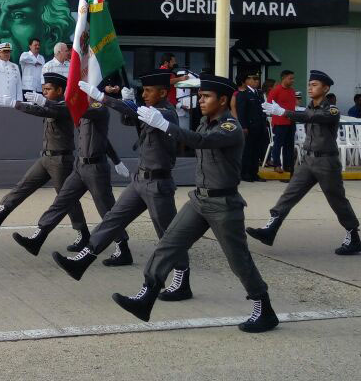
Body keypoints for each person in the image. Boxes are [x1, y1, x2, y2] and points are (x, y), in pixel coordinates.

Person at [112, 75, 278, 333]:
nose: (200, 101)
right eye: (200, 96)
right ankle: (147, 296)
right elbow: (195, 137)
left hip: (224, 203)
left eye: (206, 97)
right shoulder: (203, 123)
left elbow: (202, 142)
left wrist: (165, 125)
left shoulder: (230, 127)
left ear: (222, 100)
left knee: (239, 261)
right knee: (168, 243)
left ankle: (263, 307)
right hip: (200, 199)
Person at [57, 71, 191, 300]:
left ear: (163, 92)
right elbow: (129, 118)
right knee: (113, 218)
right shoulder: (150, 110)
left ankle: (182, 278)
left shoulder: (167, 114)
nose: (145, 94)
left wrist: (105, 98)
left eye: (149, 91)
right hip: (140, 180)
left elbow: (136, 113)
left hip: (158, 183)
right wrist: (130, 102)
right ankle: (84, 259)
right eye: (143, 91)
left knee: (169, 236)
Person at [10, 78, 132, 256]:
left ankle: (123, 247)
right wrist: (117, 160)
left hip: (96, 168)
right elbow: (102, 139)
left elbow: (75, 110)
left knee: (106, 208)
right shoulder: (82, 112)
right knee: (61, 202)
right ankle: (39, 237)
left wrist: (116, 161)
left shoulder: (98, 109)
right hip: (80, 166)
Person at [252, 70, 361, 255]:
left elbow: (313, 118)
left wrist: (283, 112)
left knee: (337, 200)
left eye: (315, 85)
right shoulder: (310, 107)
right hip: (308, 159)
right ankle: (270, 230)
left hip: (326, 161)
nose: (310, 88)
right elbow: (307, 115)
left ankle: (353, 236)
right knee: (289, 194)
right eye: (310, 85)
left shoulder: (331, 109)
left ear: (325, 88)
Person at [0, 73, 82, 240]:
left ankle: (82, 233)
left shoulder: (65, 106)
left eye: (48, 89)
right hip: (46, 158)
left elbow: (41, 110)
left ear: (60, 90)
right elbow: (43, 109)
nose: (44, 93)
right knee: (23, 186)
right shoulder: (52, 106)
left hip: (61, 161)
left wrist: (15, 104)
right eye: (43, 90)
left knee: (66, 200)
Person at [234, 72, 268, 182]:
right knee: (247, 151)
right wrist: (243, 126)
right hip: (249, 126)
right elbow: (241, 112)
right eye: (254, 79)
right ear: (247, 81)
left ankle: (254, 173)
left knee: (257, 151)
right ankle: (245, 173)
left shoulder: (259, 93)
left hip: (259, 126)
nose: (257, 81)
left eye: (258, 79)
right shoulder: (243, 94)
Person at [267, 70, 298, 174]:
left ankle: (288, 166)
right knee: (278, 144)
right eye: (290, 78)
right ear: (284, 78)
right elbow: (269, 105)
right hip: (280, 122)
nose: (292, 80)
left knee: (289, 145)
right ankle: (276, 164)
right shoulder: (276, 90)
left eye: (293, 78)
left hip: (291, 122)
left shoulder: (292, 91)